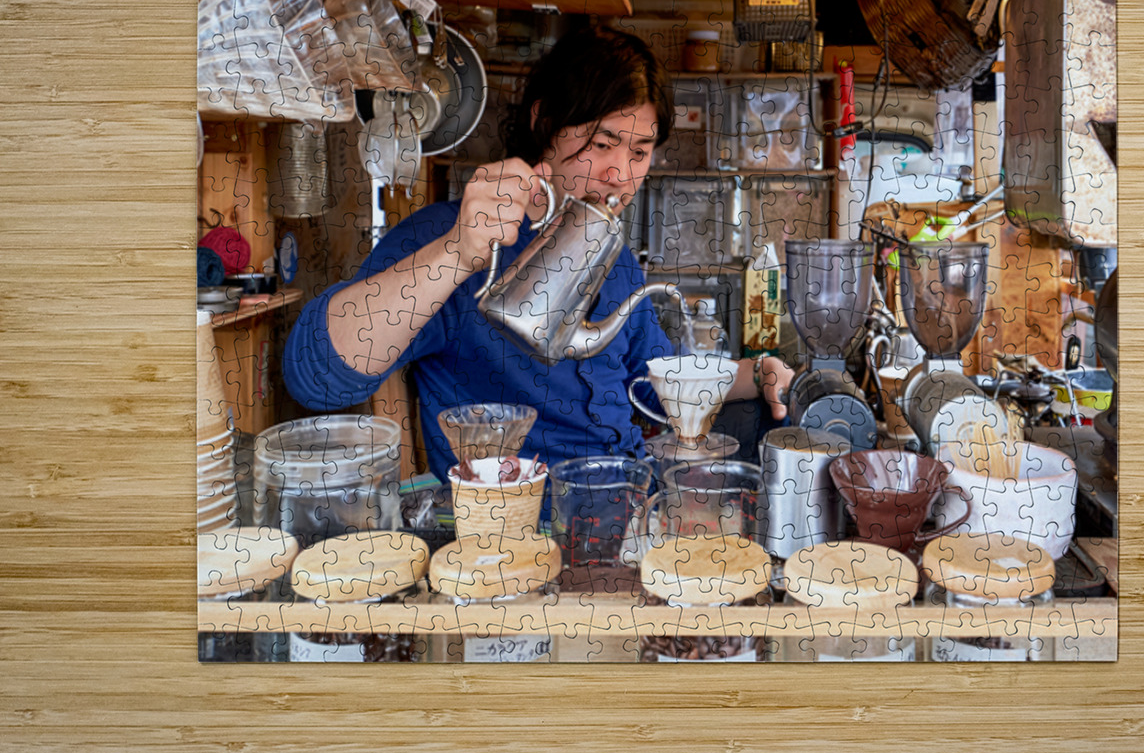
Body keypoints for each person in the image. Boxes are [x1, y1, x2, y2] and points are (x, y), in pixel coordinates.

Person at [284, 25, 794, 482]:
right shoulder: (448, 234)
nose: (620, 173)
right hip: (520, 528)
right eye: (601, 142)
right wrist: (458, 254)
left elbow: (659, 375)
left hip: (629, 506)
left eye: (638, 152)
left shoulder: (615, 261)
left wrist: (759, 373)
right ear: (545, 122)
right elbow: (315, 378)